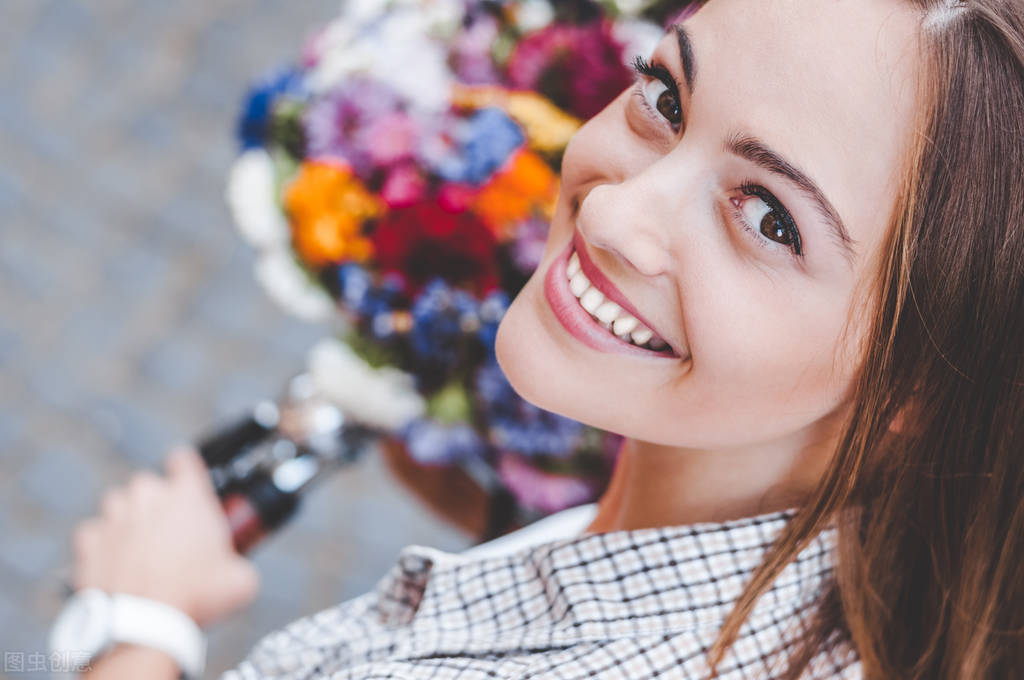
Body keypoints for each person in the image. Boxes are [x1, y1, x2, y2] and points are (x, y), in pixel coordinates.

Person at [62, 0, 1024, 677]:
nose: (612, 212)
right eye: (666, 99)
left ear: (916, 389)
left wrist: (140, 626)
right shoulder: (872, 588)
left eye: (771, 219)